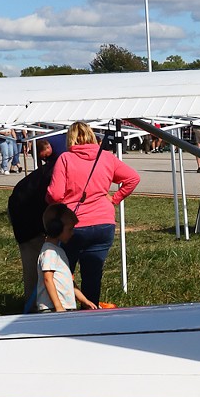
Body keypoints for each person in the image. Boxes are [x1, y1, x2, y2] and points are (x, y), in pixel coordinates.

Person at [46, 121, 141, 305]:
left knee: (64, 274)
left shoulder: (66, 158)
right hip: (103, 224)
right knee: (93, 277)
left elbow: (55, 194)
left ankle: (63, 311)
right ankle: (90, 312)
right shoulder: (106, 157)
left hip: (73, 225)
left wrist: (52, 201)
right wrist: (114, 199)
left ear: (70, 138)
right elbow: (133, 178)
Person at [7, 139, 55, 304]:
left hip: (30, 212)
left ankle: (45, 303)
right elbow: (53, 197)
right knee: (35, 265)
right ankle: (35, 307)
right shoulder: (55, 171)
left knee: (43, 265)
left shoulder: (55, 166)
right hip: (26, 218)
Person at [34, 204, 97, 313]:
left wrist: (84, 300)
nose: (72, 233)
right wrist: (58, 306)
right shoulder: (49, 252)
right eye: (70, 229)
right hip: (52, 308)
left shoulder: (58, 251)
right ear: (56, 228)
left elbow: (69, 282)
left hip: (63, 307)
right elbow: (48, 279)